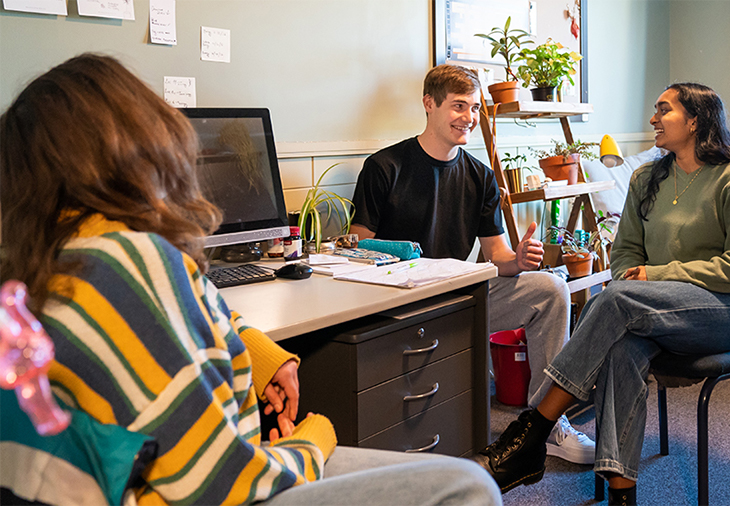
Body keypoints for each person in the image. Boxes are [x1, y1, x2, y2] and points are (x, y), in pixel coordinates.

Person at [0, 53, 502, 506]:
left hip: (192, 461)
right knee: (467, 486)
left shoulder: (61, 254)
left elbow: (199, 308)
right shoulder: (123, 263)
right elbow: (218, 480)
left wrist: (261, 356)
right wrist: (317, 436)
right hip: (232, 482)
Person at [471, 82, 730, 505]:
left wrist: (657, 274)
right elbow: (624, 252)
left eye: (664, 110)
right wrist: (638, 278)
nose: (653, 118)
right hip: (650, 312)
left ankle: (534, 429)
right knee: (620, 350)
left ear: (696, 120)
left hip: (719, 312)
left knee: (613, 300)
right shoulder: (648, 177)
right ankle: (622, 495)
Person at [350, 64, 595, 466]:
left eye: (475, 108)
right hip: (397, 301)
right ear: (429, 104)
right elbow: (358, 241)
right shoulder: (384, 167)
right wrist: (405, 255)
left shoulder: (480, 176)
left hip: (460, 297)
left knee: (551, 289)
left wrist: (517, 260)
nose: (468, 117)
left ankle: (546, 424)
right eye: (458, 106)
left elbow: (496, 256)